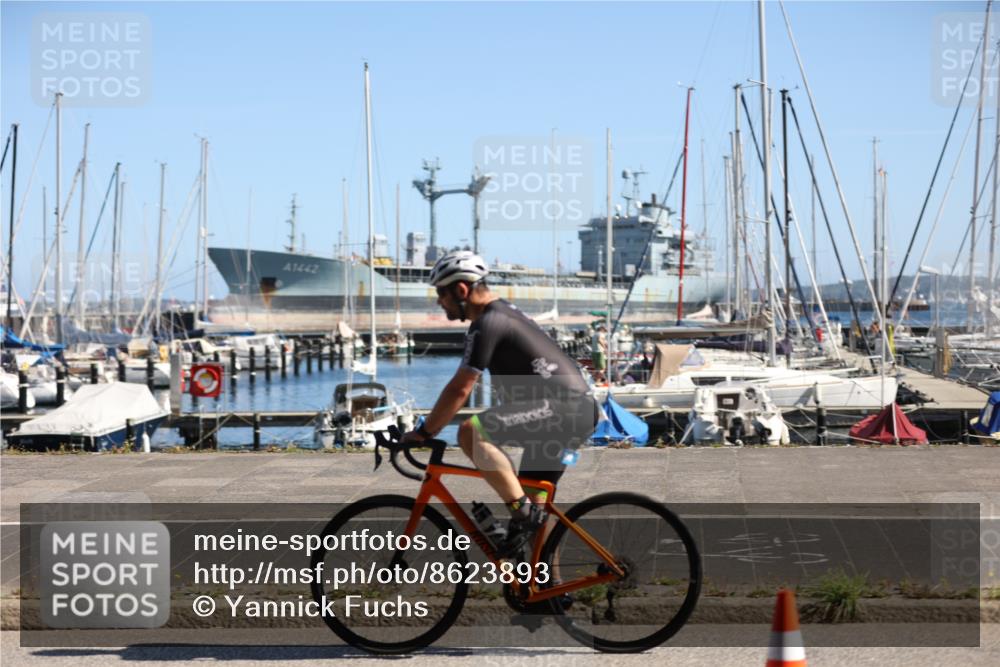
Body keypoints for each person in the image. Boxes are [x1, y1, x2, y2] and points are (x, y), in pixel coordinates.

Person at [401, 250, 599, 557]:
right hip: (576, 410)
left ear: (461, 290)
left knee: (470, 431)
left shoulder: (488, 323)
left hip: (563, 408)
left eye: (441, 293)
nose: (439, 301)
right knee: (536, 501)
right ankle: (549, 590)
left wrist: (425, 432)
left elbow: (460, 388)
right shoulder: (504, 312)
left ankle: (523, 514)